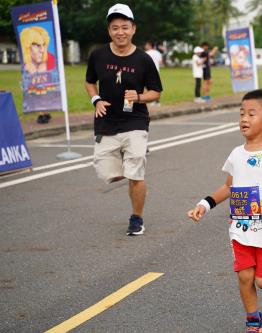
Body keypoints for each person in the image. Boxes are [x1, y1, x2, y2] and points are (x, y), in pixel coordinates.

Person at [187, 89, 262, 333]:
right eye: (241, 113)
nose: (244, 119)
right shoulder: (237, 154)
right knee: (245, 276)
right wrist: (205, 204)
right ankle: (254, 321)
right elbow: (229, 186)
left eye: (251, 114)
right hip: (240, 230)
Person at [85, 3, 162, 236]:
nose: (120, 32)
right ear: (109, 31)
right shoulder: (98, 54)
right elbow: (90, 81)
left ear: (133, 29)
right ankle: (125, 168)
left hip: (135, 121)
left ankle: (136, 218)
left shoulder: (144, 59)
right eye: (115, 27)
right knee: (109, 173)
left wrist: (139, 96)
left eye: (125, 27)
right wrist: (96, 99)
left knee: (135, 171)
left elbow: (156, 92)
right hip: (106, 121)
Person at [20, 26, 56, 124]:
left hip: (45, 84)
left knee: (43, 91)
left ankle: (44, 113)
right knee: (36, 92)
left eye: (44, 44)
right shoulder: (26, 63)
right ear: (27, 46)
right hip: (34, 84)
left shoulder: (50, 58)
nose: (42, 49)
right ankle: (42, 113)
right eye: (37, 45)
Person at [144, 41, 162, 105]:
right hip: (157, 71)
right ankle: (157, 102)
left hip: (147, 72)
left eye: (146, 45)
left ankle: (148, 101)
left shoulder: (146, 53)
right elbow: (161, 62)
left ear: (149, 45)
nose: (145, 46)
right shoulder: (158, 53)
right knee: (156, 87)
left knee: (146, 87)